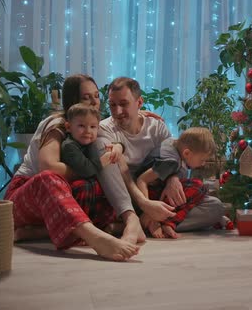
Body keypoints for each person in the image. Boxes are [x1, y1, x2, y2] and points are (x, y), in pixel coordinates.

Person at [5, 74, 143, 262]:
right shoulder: (58, 123)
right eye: (87, 97)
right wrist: (91, 168)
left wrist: (119, 146)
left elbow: (113, 141)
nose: (95, 102)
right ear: (72, 101)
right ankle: (96, 237)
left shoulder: (91, 124)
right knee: (49, 178)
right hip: (27, 196)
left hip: (56, 205)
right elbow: (49, 166)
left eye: (96, 96)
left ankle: (37, 232)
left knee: (95, 183)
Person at [95, 77, 226, 236]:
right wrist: (146, 206)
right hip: (126, 196)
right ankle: (145, 221)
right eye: (112, 105)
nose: (117, 111)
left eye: (124, 104)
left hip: (156, 191)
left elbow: (173, 158)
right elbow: (120, 175)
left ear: (139, 102)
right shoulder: (105, 129)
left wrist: (173, 178)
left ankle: (144, 223)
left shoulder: (156, 127)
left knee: (214, 206)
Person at [136, 127, 233, 239]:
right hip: (151, 195)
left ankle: (163, 222)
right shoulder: (170, 162)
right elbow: (141, 180)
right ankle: (162, 222)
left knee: (208, 199)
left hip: (161, 195)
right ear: (187, 153)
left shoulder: (176, 149)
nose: (203, 164)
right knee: (198, 186)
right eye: (202, 160)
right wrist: (149, 210)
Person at [61, 104, 123, 178]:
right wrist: (103, 161)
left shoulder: (88, 140)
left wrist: (118, 146)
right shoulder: (69, 146)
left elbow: (112, 141)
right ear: (68, 127)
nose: (88, 131)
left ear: (98, 129)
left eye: (92, 127)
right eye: (81, 126)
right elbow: (85, 170)